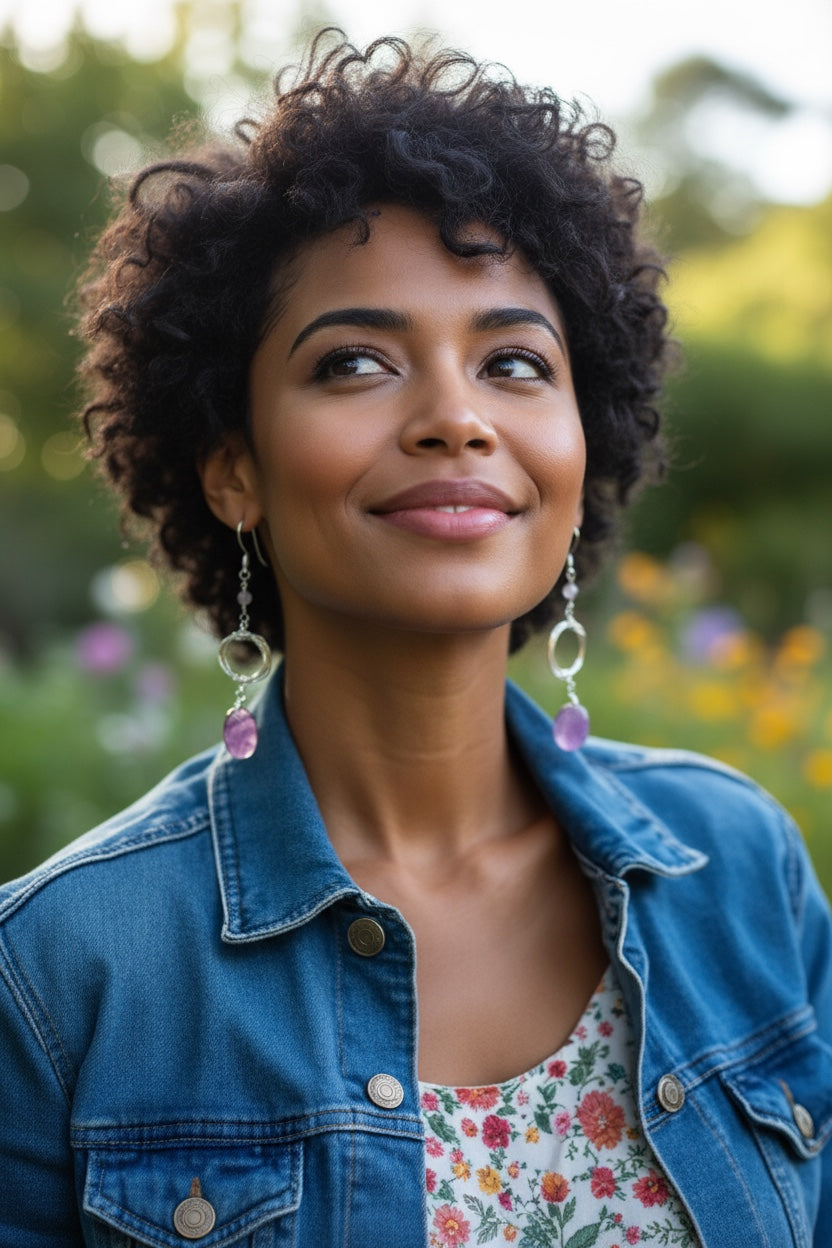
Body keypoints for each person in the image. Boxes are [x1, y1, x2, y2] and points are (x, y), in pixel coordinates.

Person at [1, 31, 830, 1248]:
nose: (455, 417)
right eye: (356, 363)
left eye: (511, 362)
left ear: (580, 437)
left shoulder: (742, 870)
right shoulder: (58, 976)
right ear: (233, 468)